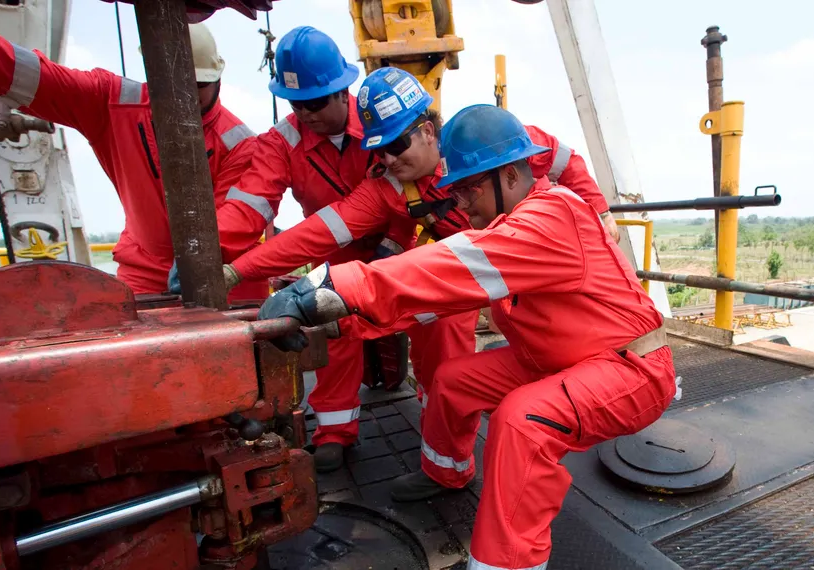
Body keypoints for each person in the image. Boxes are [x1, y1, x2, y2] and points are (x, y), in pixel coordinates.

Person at [256, 104, 677, 570]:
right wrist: (339, 324)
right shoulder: (511, 227)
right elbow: (437, 300)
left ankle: (508, 564)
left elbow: (452, 264)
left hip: (629, 369)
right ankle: (447, 472)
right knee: (453, 381)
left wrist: (331, 286)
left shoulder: (553, 215)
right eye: (455, 191)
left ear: (510, 175)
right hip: (558, 358)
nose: (460, 203)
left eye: (468, 189)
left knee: (524, 421)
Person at [223, 66, 620, 467]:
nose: (389, 159)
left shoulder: (491, 140)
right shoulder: (390, 187)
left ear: (428, 131)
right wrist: (240, 270)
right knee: (442, 354)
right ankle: (447, 464)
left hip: (545, 268)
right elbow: (323, 230)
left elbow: (564, 158)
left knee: (558, 351)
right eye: (379, 150)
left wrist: (601, 211)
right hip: (479, 274)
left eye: (397, 144)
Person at [0, 0, 263, 301]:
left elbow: (233, 223)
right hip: (144, 276)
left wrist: (200, 266)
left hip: (227, 278)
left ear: (218, 77)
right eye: (173, 82)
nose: (184, 96)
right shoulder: (111, 103)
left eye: (197, 85)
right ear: (152, 72)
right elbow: (21, 73)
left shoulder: (239, 143)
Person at [206, 26, 416, 472]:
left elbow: (412, 186)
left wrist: (395, 244)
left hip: (400, 245)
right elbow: (251, 204)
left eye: (315, 103)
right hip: (336, 250)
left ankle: (440, 419)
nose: (305, 114)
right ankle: (336, 431)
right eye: (295, 104)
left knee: (434, 323)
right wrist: (214, 254)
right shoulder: (282, 142)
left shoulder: (379, 120)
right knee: (332, 329)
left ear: (343, 92)